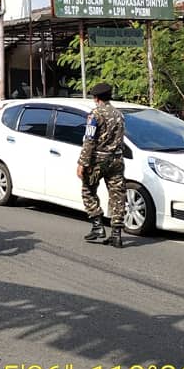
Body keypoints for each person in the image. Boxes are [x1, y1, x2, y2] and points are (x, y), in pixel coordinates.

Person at [77, 82, 127, 249]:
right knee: (117, 196)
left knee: (88, 189)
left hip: (98, 160)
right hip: (117, 160)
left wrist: (82, 163)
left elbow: (89, 140)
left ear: (96, 98)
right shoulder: (120, 115)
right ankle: (117, 234)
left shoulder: (95, 115)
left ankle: (98, 226)